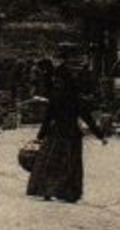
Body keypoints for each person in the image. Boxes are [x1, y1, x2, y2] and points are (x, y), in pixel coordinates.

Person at [26, 59, 108, 203]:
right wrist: (100, 136)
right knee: (70, 166)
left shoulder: (55, 97)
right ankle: (68, 193)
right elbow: (87, 118)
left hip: (55, 134)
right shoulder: (76, 99)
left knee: (50, 163)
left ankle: (46, 190)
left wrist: (40, 136)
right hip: (71, 135)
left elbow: (47, 118)